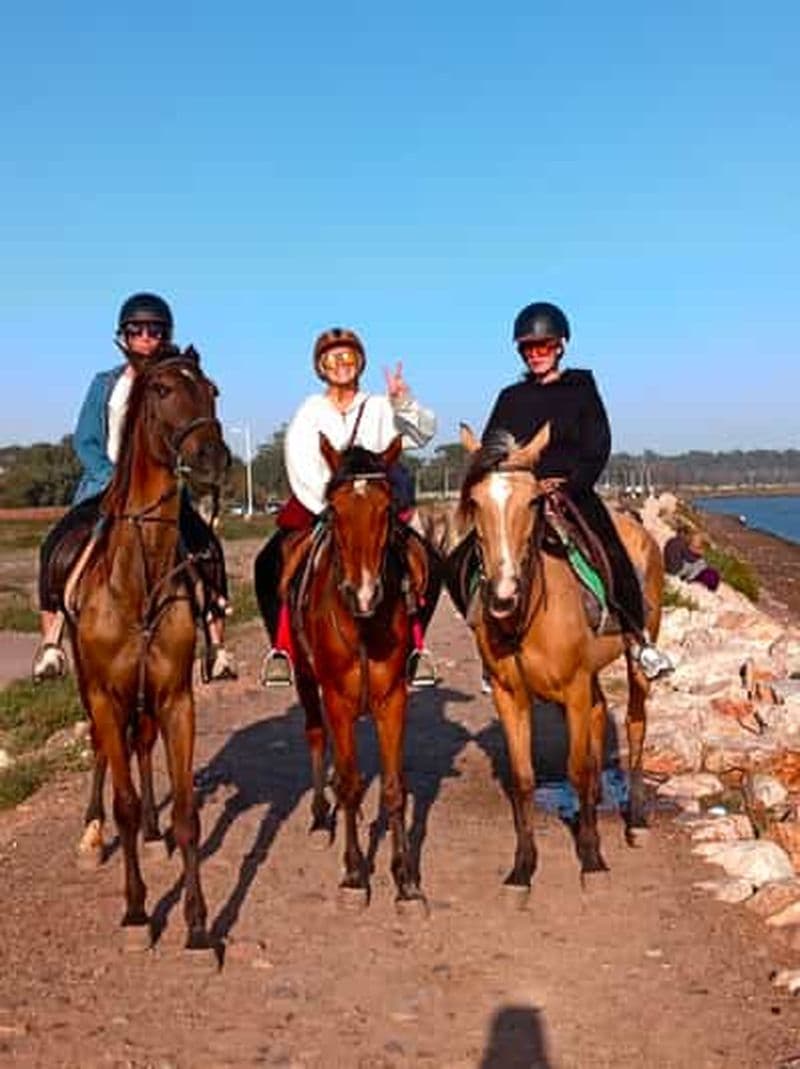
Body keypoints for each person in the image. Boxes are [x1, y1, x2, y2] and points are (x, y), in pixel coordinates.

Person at [453, 300, 673, 681]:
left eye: (545, 346)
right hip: (520, 494)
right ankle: (490, 646)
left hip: (571, 489)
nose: (537, 354)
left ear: (560, 346)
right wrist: (511, 480)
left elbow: (598, 444)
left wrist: (571, 483)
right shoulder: (510, 397)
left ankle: (639, 638)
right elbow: (490, 449)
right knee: (462, 559)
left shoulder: (581, 390)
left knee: (610, 548)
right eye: (529, 349)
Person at [32, 292, 237, 683]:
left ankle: (216, 645)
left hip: (161, 490)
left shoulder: (174, 382)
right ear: (124, 336)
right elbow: (86, 439)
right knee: (54, 545)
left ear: (166, 335)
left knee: (206, 546)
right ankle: (52, 641)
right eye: (137, 330)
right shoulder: (105, 383)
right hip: (105, 486)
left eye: (155, 330)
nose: (146, 337)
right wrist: (112, 476)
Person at [254, 327, 441, 687]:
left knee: (428, 561)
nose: (342, 365)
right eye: (333, 359)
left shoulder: (379, 406)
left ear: (360, 363)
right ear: (321, 367)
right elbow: (299, 461)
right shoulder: (310, 411)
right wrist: (326, 507)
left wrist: (403, 401)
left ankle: (416, 648)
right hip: (322, 506)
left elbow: (422, 435)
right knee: (268, 563)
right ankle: (282, 650)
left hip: (375, 509)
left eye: (349, 358)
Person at [663, 526, 720, 591]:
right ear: (683, 534)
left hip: (667, 567)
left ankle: (690, 578)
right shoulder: (682, 543)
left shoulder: (671, 541)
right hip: (675, 570)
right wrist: (699, 556)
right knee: (699, 563)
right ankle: (689, 580)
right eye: (687, 535)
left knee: (698, 564)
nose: (688, 537)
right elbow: (689, 558)